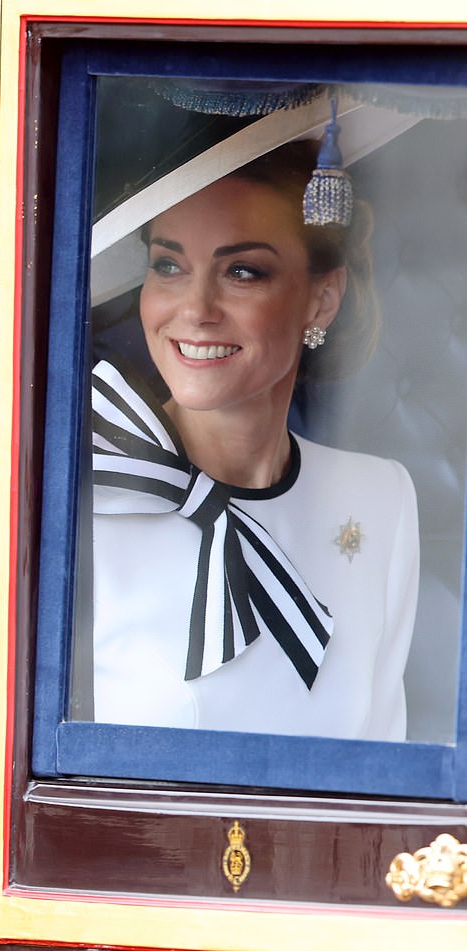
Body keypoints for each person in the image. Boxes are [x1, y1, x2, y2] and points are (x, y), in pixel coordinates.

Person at [89, 140, 419, 742]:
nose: (195, 310)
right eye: (168, 266)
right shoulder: (86, 495)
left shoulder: (380, 500)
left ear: (321, 298)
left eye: (242, 271)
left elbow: (381, 778)